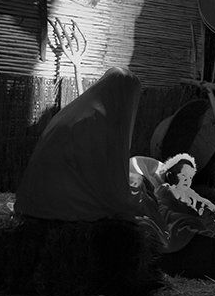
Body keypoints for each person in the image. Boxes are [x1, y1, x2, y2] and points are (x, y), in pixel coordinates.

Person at [15, 67, 140, 221]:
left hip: (34, 199)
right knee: (139, 199)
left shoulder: (74, 113)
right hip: (61, 204)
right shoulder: (96, 122)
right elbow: (105, 181)